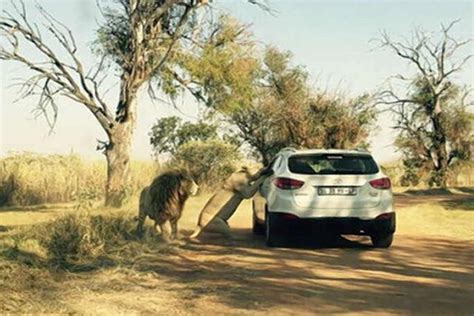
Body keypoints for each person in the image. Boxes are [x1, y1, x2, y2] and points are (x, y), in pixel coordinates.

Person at [189, 165, 273, 239]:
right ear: (246, 171)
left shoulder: (240, 179)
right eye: (258, 169)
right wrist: (262, 178)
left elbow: (251, 187)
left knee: (229, 234)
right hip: (210, 219)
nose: (260, 171)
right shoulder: (238, 180)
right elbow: (248, 194)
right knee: (232, 237)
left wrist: (261, 177)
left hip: (210, 219)